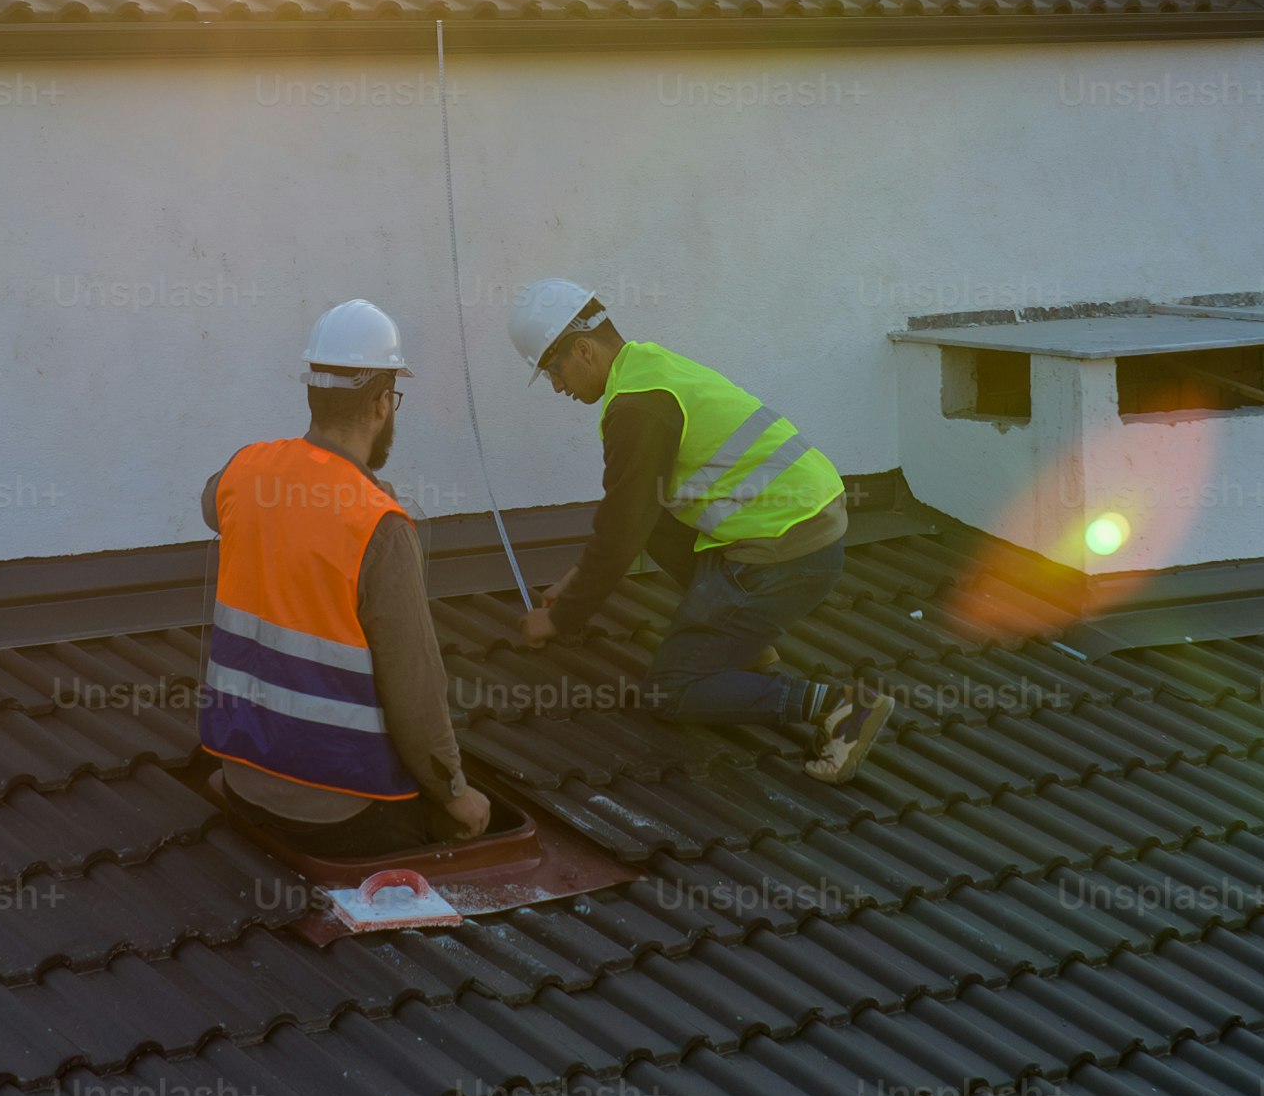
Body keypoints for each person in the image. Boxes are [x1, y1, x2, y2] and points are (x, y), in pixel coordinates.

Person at [508, 276, 889, 782]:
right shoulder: (648, 368)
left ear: (583, 349)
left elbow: (620, 531)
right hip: (794, 523)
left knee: (671, 690)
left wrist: (563, 619)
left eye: (554, 370)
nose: (557, 386)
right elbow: (633, 514)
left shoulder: (637, 408)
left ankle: (842, 707)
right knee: (653, 510)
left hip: (788, 546)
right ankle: (743, 643)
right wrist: (576, 582)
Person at [197, 299, 492, 860]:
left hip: (244, 780)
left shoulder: (245, 473)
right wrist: (454, 792)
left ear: (313, 394)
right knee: (456, 829)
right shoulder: (380, 525)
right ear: (383, 404)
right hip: (340, 807)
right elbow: (416, 691)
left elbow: (212, 502)